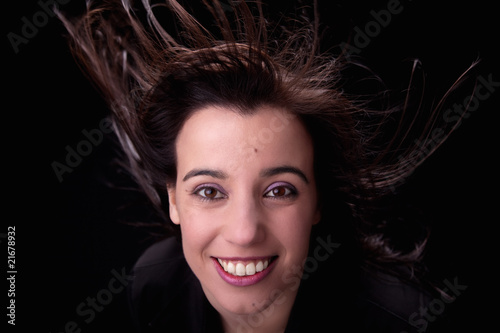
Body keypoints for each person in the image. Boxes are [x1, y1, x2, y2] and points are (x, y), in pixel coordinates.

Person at [58, 0, 475, 331]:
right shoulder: (155, 287)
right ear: (173, 199)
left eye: (279, 190)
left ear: (317, 202)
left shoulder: (402, 321)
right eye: (208, 191)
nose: (244, 232)